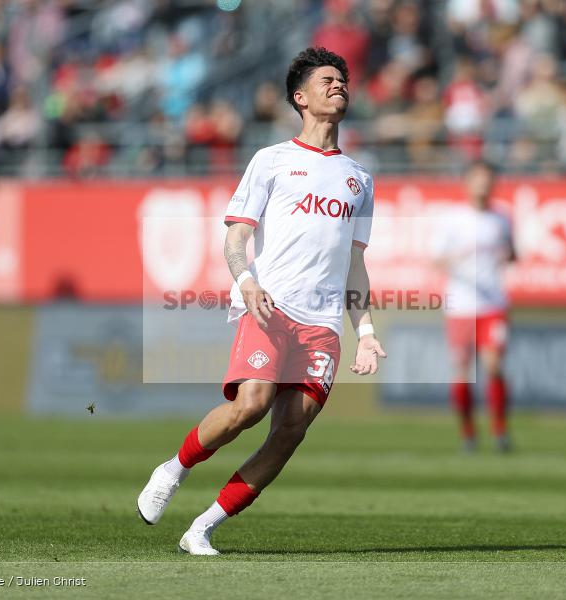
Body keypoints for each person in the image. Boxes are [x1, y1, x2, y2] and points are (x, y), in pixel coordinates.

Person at [136, 47, 386, 556]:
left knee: (289, 431)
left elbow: (355, 264)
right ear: (300, 97)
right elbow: (235, 237)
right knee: (250, 405)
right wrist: (246, 282)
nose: (338, 85)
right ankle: (174, 469)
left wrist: (365, 332)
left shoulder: (360, 178)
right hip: (270, 307)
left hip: (322, 326)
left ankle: (202, 528)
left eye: (342, 79)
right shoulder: (272, 160)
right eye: (326, 80)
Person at [434, 161, 514, 452]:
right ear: (467, 182)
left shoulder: (502, 218)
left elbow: (513, 253)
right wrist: (460, 256)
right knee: (462, 371)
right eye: (478, 179)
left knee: (494, 366)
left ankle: (500, 432)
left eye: (488, 179)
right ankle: (468, 434)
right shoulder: (453, 218)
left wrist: (506, 255)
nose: (483, 184)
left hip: (493, 305)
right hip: (461, 306)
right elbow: (436, 260)